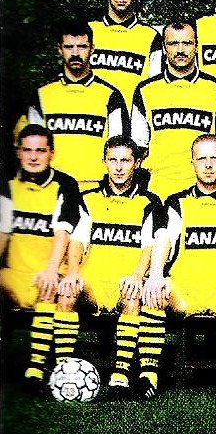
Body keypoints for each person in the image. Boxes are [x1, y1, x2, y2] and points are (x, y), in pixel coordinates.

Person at [140, 134, 216, 401]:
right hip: (185, 292)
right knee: (154, 292)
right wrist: (155, 275)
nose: (208, 165)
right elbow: (164, 240)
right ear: (192, 163)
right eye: (201, 159)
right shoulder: (176, 202)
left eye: (215, 158)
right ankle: (148, 373)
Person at [60, 136, 163, 397]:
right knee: (67, 292)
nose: (118, 167)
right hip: (93, 280)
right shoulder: (88, 199)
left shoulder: (150, 202)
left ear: (137, 163)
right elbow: (78, 241)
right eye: (113, 160)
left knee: (132, 295)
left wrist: (137, 275)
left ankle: (121, 374)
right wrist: (72, 272)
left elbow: (149, 246)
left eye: (125, 161)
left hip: (123, 281)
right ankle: (62, 370)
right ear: (104, 162)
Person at [0, 125, 85, 392]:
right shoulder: (7, 184)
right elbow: (2, 231)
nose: (34, 157)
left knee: (50, 286)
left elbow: (64, 231)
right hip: (14, 275)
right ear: (18, 152)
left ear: (52, 153)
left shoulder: (65, 184)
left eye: (40, 150)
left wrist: (50, 269)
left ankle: (37, 369)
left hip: (48, 271)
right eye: (27, 150)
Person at [131, 20, 216, 199]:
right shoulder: (145, 90)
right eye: (173, 43)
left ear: (196, 46)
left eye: (187, 43)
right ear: (164, 48)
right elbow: (139, 146)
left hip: (206, 191)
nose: (180, 50)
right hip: (158, 190)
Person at [25, 20, 129, 190]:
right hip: (52, 190)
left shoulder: (112, 96)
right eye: (68, 47)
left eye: (82, 47)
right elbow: (33, 151)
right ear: (59, 50)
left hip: (95, 191)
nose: (75, 53)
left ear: (92, 49)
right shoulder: (41, 96)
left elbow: (119, 152)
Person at [89, 0, 163, 108]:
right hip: (93, 117)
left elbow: (154, 89)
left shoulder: (151, 36)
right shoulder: (88, 32)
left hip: (132, 121)